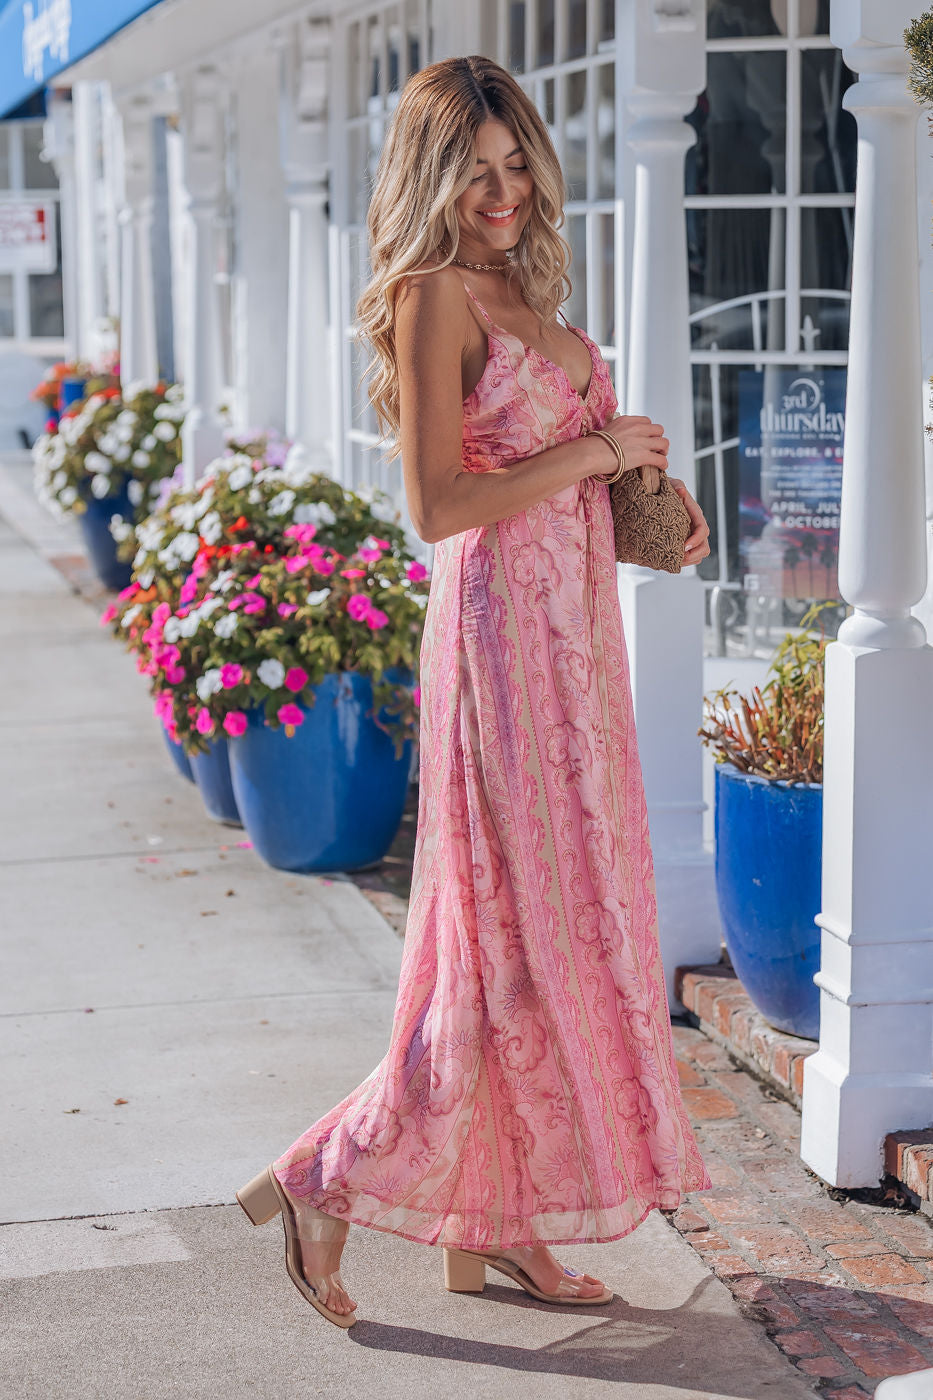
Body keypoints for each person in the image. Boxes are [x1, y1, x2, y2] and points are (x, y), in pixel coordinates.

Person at [236, 54, 712, 1329]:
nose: (502, 192)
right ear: (435, 176)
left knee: (554, 950)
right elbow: (441, 506)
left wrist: (645, 493)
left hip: (582, 660)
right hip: (503, 658)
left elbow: (565, 482)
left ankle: (507, 1227)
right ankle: (321, 1175)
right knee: (505, 952)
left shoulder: (530, 288)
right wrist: (595, 447)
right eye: (478, 170)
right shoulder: (433, 293)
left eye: (516, 166)